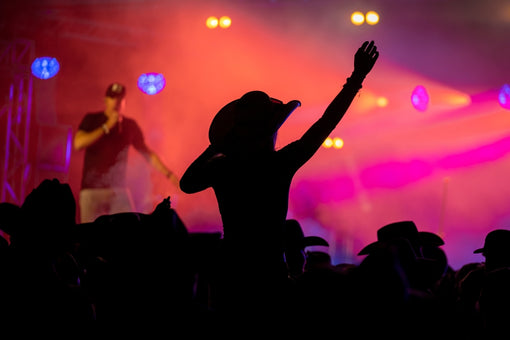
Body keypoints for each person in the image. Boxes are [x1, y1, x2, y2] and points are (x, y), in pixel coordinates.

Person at [179, 40, 379, 318]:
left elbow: (186, 184)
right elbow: (325, 124)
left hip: (230, 271)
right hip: (269, 271)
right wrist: (356, 78)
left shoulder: (223, 166)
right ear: (272, 130)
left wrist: (218, 144)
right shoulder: (278, 163)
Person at [73, 82, 179, 223]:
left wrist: (170, 175)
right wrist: (106, 127)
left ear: (124, 102)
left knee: (129, 231)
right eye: (112, 98)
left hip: (118, 190)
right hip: (92, 191)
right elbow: (78, 143)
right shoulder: (92, 119)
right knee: (89, 236)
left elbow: (147, 154)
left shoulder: (130, 125)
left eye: (120, 99)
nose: (116, 102)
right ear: (105, 100)